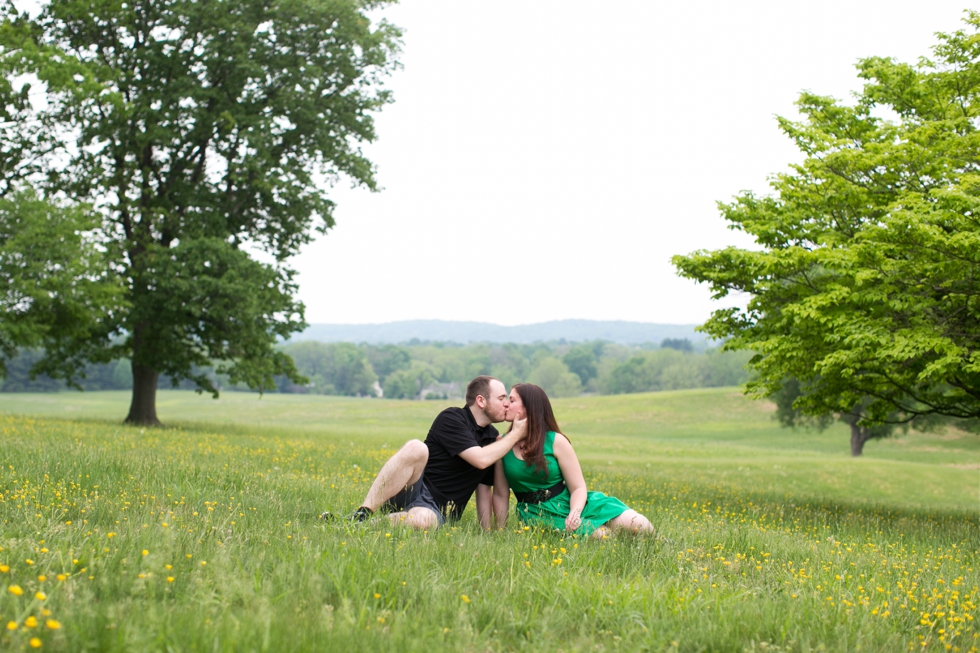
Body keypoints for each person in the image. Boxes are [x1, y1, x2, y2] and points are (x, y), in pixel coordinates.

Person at [322, 376, 527, 530]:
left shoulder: (493, 440)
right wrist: (515, 435)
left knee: (422, 520)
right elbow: (479, 459)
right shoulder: (452, 418)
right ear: (481, 401)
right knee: (416, 447)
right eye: (501, 398)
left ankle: (363, 526)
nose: (507, 403)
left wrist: (489, 534)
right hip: (413, 487)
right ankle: (362, 514)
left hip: (436, 509)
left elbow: (484, 490)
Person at [481, 383, 655, 538]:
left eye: (512, 400)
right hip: (536, 512)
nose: (506, 404)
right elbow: (500, 494)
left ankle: (659, 544)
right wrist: (501, 533)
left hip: (572, 502)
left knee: (642, 526)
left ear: (529, 407)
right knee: (602, 537)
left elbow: (578, 487)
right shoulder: (501, 444)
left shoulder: (556, 441)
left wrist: (575, 512)